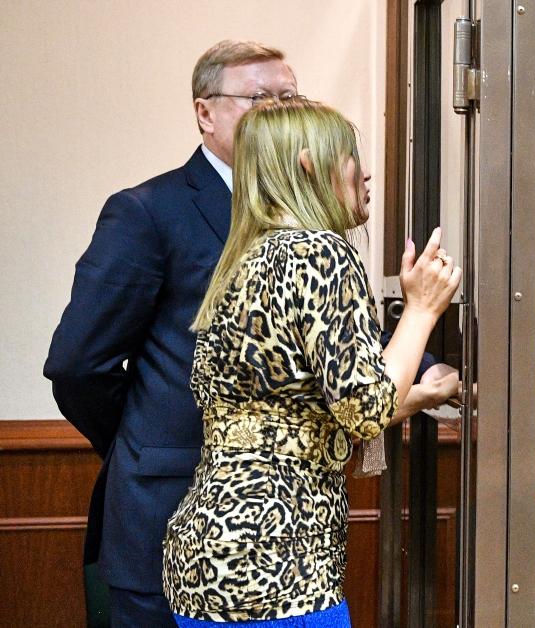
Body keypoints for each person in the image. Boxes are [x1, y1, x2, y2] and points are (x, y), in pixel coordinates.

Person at [42, 40, 449, 625]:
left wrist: (424, 365)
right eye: (260, 99)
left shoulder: (264, 240)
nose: (279, 113)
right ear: (205, 113)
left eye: (290, 98)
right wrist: (139, 445)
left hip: (220, 542)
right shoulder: (148, 211)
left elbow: (307, 354)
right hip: (206, 519)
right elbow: (79, 366)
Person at [162, 98, 461, 624]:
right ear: (309, 164)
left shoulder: (246, 257)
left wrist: (424, 395)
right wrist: (422, 308)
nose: (365, 172)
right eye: (349, 156)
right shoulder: (319, 252)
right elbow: (366, 407)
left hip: (206, 551)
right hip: (277, 561)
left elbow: (308, 412)